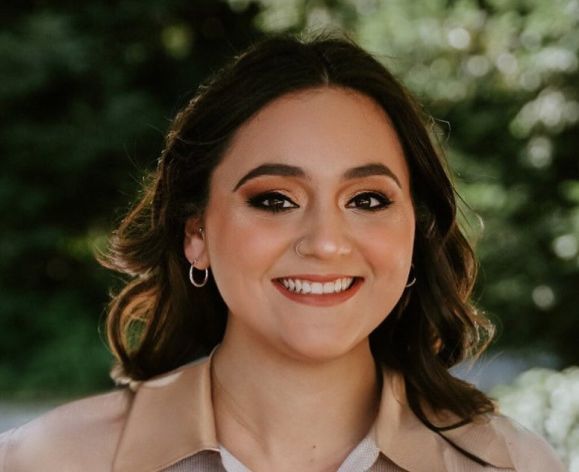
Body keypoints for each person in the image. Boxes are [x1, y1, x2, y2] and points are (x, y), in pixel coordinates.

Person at [0, 33, 565, 472]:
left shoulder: (512, 463)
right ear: (195, 231)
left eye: (367, 199)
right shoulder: (45, 461)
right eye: (275, 199)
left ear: (414, 232)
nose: (324, 242)